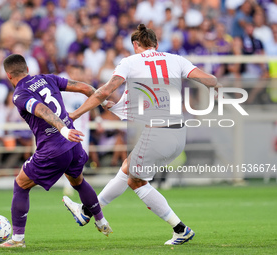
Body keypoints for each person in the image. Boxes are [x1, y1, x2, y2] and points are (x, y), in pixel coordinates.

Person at [64, 24, 221, 245]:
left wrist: (74, 113)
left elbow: (105, 91)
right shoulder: (176, 59)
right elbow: (210, 80)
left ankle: (180, 229)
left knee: (135, 181)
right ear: (156, 44)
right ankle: (86, 212)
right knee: (128, 169)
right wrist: (217, 87)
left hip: (157, 133)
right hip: (178, 134)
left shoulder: (130, 62)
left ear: (136, 45)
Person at [0, 54, 113, 248]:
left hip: (54, 148)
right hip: (74, 146)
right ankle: (101, 221)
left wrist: (63, 130)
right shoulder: (46, 78)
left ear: (8, 75)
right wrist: (103, 101)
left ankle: (17, 239)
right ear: (27, 69)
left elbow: (42, 110)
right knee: (78, 180)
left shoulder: (19, 94)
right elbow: (84, 87)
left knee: (21, 185)